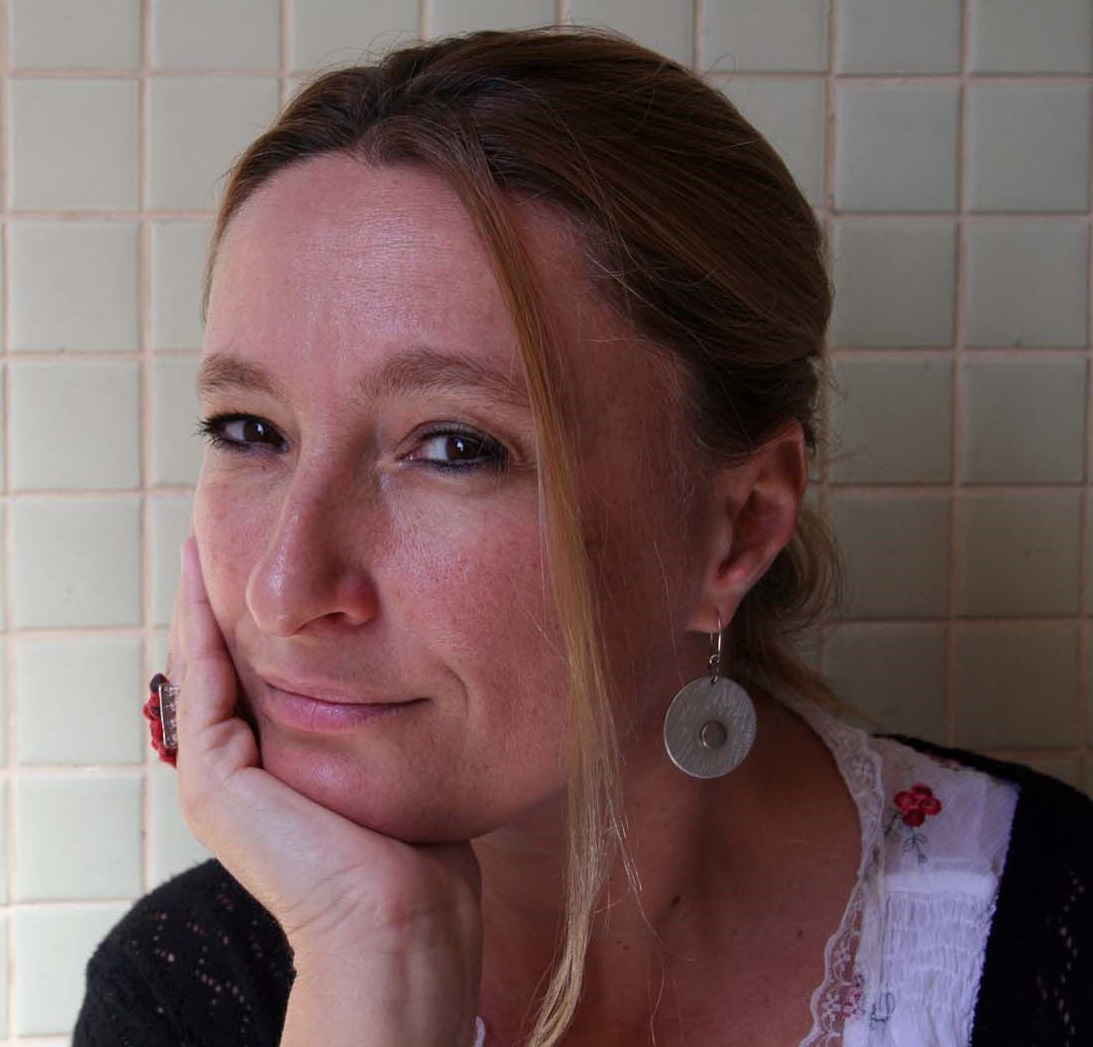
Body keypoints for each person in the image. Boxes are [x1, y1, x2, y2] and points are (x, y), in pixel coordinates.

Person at [74, 27, 1091, 1047]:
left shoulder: (1059, 937)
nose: (284, 588)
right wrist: (378, 957)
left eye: (455, 447)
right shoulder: (180, 992)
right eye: (250, 431)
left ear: (738, 528)